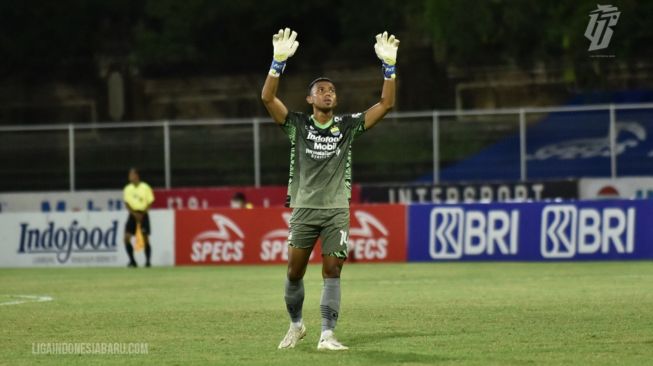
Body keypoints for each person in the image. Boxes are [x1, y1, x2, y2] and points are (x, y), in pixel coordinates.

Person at [261, 28, 399, 350]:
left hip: (336, 209)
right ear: (310, 99)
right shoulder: (297, 125)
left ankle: (327, 334)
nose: (328, 93)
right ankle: (296, 325)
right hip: (305, 207)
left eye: (332, 90)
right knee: (295, 272)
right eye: (321, 90)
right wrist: (276, 63)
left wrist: (389, 69)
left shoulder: (348, 126)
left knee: (332, 270)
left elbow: (386, 104)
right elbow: (267, 98)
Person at [123, 167, 155, 267]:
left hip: (143, 214)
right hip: (132, 214)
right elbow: (127, 203)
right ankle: (132, 261)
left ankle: (148, 262)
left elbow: (150, 202)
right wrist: (134, 213)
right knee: (126, 238)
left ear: (136, 175)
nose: (130, 176)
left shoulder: (145, 187)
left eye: (131, 174)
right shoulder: (127, 188)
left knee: (145, 238)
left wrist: (143, 213)